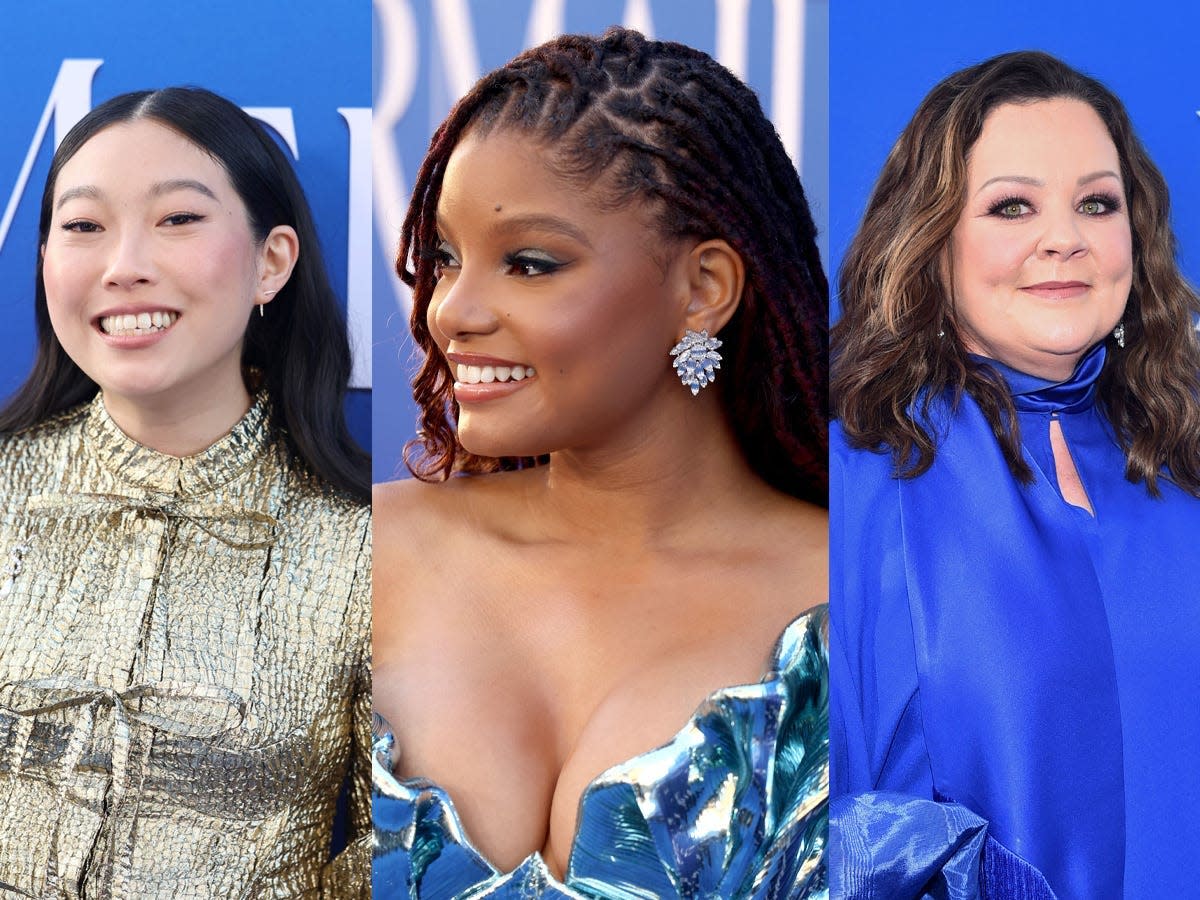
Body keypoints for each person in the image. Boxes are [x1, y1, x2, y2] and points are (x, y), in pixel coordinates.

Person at [372, 27, 829, 899]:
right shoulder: (366, 551)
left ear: (703, 291)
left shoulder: (866, 604)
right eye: (445, 258)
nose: (449, 312)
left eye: (530, 264)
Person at [830, 50, 1200, 899]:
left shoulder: (1186, 461)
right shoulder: (849, 487)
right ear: (932, 241)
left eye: (1096, 203)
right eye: (1012, 206)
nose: (1064, 238)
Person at [0, 88, 372, 897]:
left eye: (177, 220)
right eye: (84, 227)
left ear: (272, 261)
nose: (124, 264)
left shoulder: (369, 546)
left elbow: (391, 853)